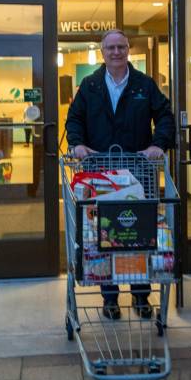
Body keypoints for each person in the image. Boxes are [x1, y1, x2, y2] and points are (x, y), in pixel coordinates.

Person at [66, 29, 175, 320]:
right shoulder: (90, 86)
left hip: (139, 171)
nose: (116, 52)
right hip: (100, 172)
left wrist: (157, 144)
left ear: (128, 50)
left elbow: (165, 115)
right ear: (102, 52)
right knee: (104, 234)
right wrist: (76, 144)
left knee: (139, 234)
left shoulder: (144, 84)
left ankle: (141, 297)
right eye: (111, 47)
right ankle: (110, 298)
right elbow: (74, 118)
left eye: (121, 47)